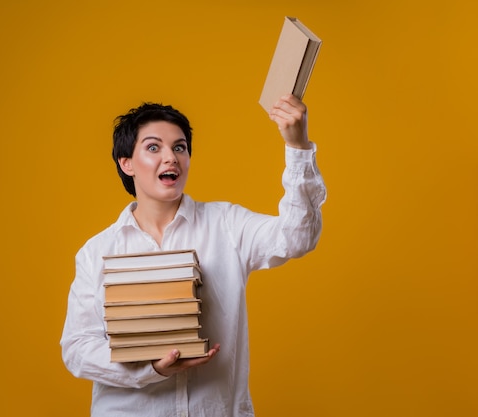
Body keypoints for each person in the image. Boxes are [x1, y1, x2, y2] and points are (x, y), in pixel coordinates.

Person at [61, 94, 327, 417]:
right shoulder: (96, 253)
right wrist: (151, 368)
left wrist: (298, 147)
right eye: (153, 147)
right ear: (126, 162)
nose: (171, 157)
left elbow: (296, 236)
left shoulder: (226, 224)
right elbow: (77, 349)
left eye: (179, 147)